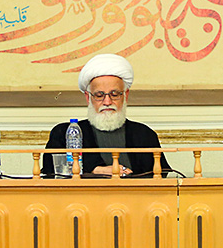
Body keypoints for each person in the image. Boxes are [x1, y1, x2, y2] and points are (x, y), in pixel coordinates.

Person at [42, 53, 170, 177]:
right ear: (88, 97)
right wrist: (96, 170)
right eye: (99, 95)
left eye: (114, 94)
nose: (107, 102)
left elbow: (160, 176)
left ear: (125, 95)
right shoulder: (65, 133)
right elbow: (51, 171)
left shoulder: (144, 134)